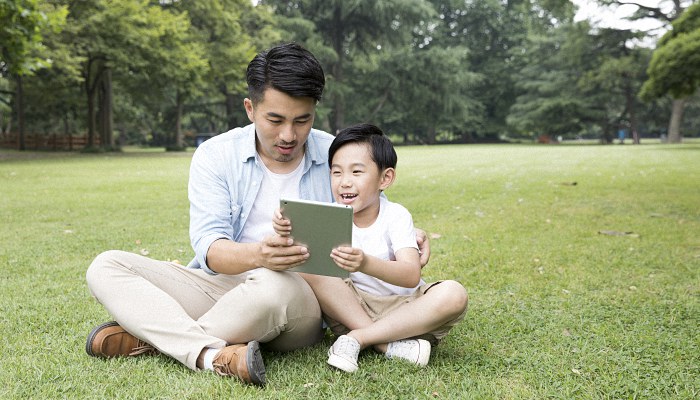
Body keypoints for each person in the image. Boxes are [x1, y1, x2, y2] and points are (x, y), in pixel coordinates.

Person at [84, 43, 430, 387]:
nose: (288, 135)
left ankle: (156, 337)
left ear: (314, 111)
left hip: (296, 297)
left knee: (271, 283)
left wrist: (410, 236)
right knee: (107, 265)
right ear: (250, 108)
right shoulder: (216, 155)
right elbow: (210, 248)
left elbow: (373, 211)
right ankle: (209, 355)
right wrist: (258, 254)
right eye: (275, 119)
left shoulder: (336, 154)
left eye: (302, 120)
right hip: (221, 284)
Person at [273, 124, 468, 373]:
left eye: (357, 172)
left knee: (454, 293)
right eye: (336, 173)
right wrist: (285, 229)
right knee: (307, 267)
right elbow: (305, 265)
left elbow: (410, 275)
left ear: (385, 178)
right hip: (353, 310)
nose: (344, 182)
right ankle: (386, 345)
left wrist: (365, 263)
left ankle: (361, 339)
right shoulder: (329, 216)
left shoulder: (395, 215)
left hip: (405, 311)